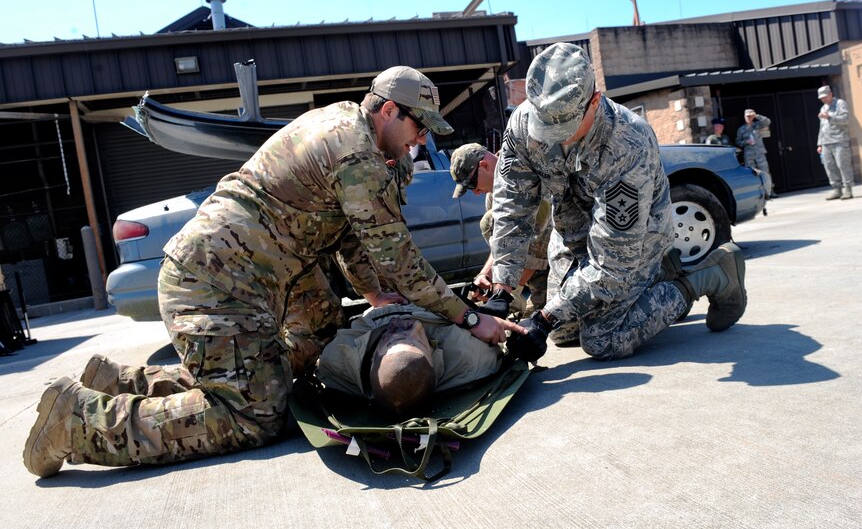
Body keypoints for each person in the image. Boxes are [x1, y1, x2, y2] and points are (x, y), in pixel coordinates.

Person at [23, 65, 525, 478]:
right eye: (417, 128)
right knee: (253, 414)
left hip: (257, 275)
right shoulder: (358, 155)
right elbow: (399, 258)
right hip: (217, 285)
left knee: (314, 347)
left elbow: (350, 237)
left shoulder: (339, 122)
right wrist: (469, 319)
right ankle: (77, 421)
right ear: (389, 110)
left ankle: (118, 379)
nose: (417, 142)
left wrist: (372, 297)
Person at [487, 42, 748, 363]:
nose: (553, 137)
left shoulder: (627, 143)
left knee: (603, 339)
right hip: (573, 236)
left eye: (565, 128)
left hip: (635, 242)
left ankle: (710, 275)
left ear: (594, 101)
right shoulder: (524, 125)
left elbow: (611, 262)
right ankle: (654, 280)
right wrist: (502, 288)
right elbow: (512, 206)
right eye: (547, 127)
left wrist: (544, 318)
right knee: (563, 334)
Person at [316, 303, 505, 414]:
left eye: (391, 341)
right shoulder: (467, 356)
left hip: (376, 304)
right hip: (428, 303)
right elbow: (499, 347)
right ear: (431, 356)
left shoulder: (336, 360)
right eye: (417, 343)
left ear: (374, 358)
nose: (405, 327)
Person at [450, 142, 552, 317]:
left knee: (562, 332)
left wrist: (503, 294)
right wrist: (486, 275)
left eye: (473, 184)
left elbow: (537, 240)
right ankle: (536, 298)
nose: (475, 192)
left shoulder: (523, 173)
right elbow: (502, 242)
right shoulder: (493, 191)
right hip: (540, 260)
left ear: (484, 166)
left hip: (569, 251)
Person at [816, 85, 854, 201]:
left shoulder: (840, 104)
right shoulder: (823, 108)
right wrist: (820, 144)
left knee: (843, 164)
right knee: (829, 166)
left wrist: (829, 117)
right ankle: (837, 189)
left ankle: (848, 189)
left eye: (825, 97)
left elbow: (845, 119)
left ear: (831, 94)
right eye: (821, 98)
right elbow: (822, 127)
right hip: (826, 142)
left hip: (839, 140)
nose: (824, 100)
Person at [736, 109, 777, 198]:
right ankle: (754, 194)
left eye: (750, 116)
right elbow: (738, 142)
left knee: (765, 172)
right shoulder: (741, 129)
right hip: (749, 155)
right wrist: (747, 142)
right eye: (747, 116)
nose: (749, 118)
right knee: (751, 174)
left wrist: (756, 116)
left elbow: (767, 121)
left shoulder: (757, 125)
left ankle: (769, 192)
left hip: (760, 153)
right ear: (744, 117)